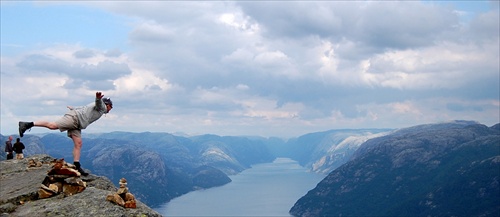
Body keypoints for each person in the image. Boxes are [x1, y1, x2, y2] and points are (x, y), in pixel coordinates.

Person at [18, 92, 113, 176]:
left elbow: (84, 109)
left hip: (77, 123)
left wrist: (73, 109)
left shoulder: (97, 108)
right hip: (74, 119)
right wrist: (98, 98)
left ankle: (77, 165)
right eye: (111, 107)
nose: (110, 109)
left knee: (78, 143)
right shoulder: (102, 107)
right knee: (52, 126)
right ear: (107, 105)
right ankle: (27, 124)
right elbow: (99, 103)